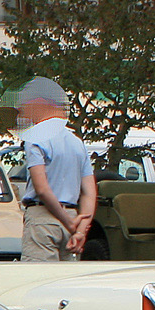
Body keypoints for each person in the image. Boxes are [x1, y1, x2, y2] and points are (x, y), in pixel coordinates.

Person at [16, 77, 97, 261]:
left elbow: (42, 189)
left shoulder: (35, 138)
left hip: (43, 216)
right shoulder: (77, 143)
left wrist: (68, 222)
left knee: (37, 280)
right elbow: (89, 193)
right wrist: (79, 230)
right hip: (72, 217)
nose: (22, 110)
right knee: (63, 283)